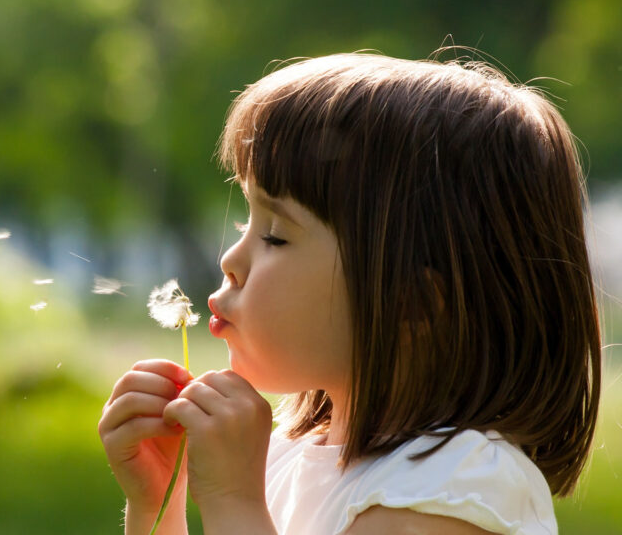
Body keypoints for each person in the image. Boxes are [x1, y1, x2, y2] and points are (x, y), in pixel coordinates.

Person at [98, 52, 601, 534]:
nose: (230, 260)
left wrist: (233, 501)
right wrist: (157, 505)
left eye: (275, 235)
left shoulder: (451, 490)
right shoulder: (286, 455)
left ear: (412, 303)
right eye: (244, 222)